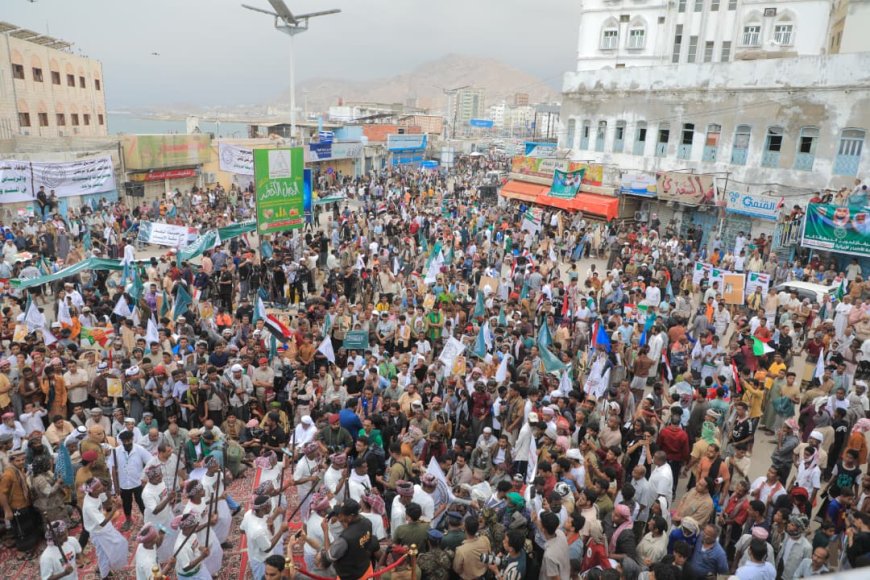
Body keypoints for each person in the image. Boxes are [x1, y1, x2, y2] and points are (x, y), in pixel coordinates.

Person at [318, 499, 381, 580]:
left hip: (349, 576)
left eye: (341, 514)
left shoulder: (344, 540)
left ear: (350, 517)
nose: (339, 516)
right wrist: (342, 519)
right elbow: (354, 530)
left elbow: (329, 556)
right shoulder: (367, 523)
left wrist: (325, 531)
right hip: (366, 570)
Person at [81, 477, 128, 579]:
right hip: (98, 532)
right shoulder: (89, 506)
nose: (102, 487)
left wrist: (113, 496)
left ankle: (100, 568)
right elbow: (102, 523)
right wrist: (116, 507)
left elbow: (105, 498)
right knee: (103, 554)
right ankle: (104, 576)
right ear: (93, 491)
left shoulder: (94, 494)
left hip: (104, 526)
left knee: (117, 544)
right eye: (99, 487)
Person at [108, 428, 152, 531]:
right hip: (123, 484)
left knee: (141, 502)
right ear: (121, 441)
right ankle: (128, 520)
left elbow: (150, 461)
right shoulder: (115, 452)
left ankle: (147, 520)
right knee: (126, 504)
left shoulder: (139, 449)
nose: (127, 443)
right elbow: (111, 469)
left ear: (132, 439)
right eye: (125, 441)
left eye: (129, 440)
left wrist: (144, 477)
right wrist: (115, 487)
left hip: (138, 483)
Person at [0, 449, 40, 558]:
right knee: (20, 530)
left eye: (23, 459)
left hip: (25, 504)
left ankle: (30, 547)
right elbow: (2, 494)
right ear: (12, 461)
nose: (22, 462)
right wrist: (7, 510)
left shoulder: (19, 470)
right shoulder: (8, 474)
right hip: (16, 507)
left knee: (27, 526)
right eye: (18, 460)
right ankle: (22, 553)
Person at [453, 514, 492, 580]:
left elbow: (457, 569)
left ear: (465, 527)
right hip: (484, 576)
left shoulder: (461, 550)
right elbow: (489, 556)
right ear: (477, 528)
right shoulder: (485, 539)